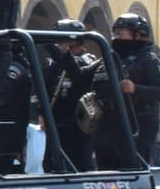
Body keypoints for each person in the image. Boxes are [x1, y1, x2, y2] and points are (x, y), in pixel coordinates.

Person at [43, 19, 110, 171]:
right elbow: (47, 88)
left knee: (80, 164)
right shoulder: (54, 63)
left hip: (79, 124)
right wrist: (42, 112)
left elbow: (79, 77)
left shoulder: (88, 60)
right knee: (51, 164)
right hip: (55, 122)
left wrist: (65, 54)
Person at [107, 14, 160, 167]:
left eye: (121, 33)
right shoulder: (114, 59)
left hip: (141, 123)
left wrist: (135, 88)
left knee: (134, 165)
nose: (116, 37)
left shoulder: (150, 60)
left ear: (138, 35)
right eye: (115, 33)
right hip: (116, 121)